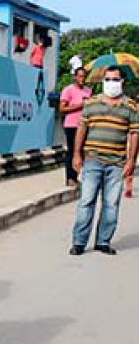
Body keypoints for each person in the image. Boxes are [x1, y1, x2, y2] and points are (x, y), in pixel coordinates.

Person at [69, 66, 139, 256]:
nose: (111, 83)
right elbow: (81, 128)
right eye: (107, 80)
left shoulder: (131, 107)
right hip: (93, 160)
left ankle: (103, 241)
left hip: (116, 163)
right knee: (86, 201)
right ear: (102, 82)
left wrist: (131, 160)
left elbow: (134, 134)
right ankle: (79, 242)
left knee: (111, 204)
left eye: (115, 80)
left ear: (122, 82)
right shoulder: (92, 103)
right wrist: (76, 154)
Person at [59, 67, 91, 187]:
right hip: (72, 125)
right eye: (80, 76)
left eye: (84, 77)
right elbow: (62, 108)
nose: (82, 79)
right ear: (75, 77)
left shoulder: (88, 91)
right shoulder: (68, 90)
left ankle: (77, 175)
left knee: (82, 151)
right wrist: (80, 105)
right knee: (72, 150)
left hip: (85, 124)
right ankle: (70, 177)